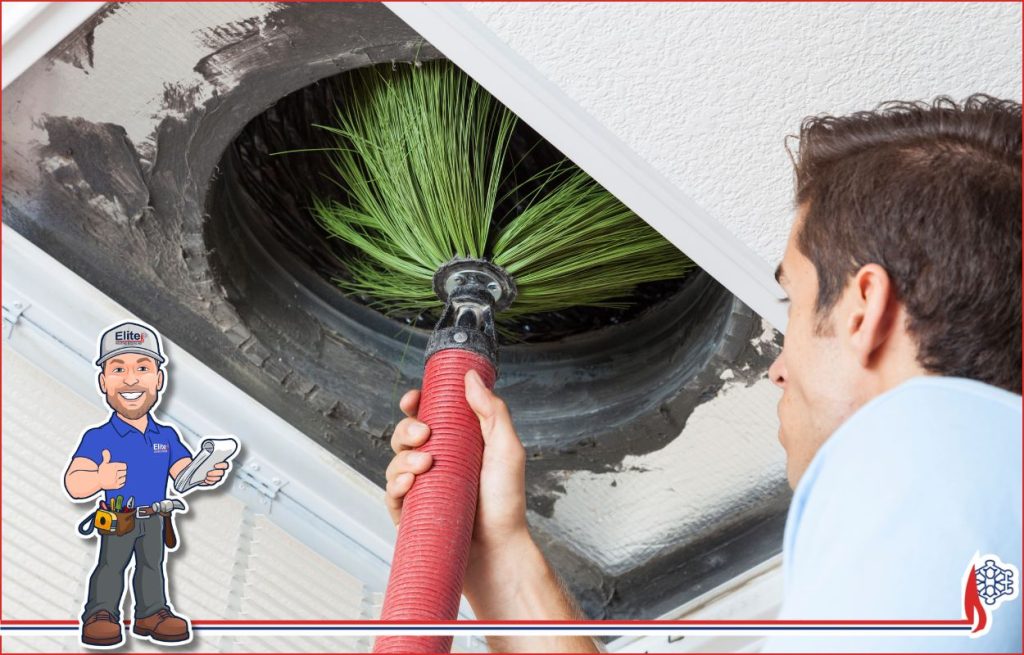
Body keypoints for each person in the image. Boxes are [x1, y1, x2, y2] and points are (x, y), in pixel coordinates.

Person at [385, 95, 1022, 652]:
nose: (776, 370)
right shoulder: (973, 534)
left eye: (791, 303)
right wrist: (495, 552)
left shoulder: (929, 484)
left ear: (864, 309)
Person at [64, 321, 233, 648]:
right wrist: (99, 478)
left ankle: (151, 613)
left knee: (152, 566)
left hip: (156, 517)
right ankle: (101, 614)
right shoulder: (99, 437)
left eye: (142, 368)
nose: (130, 379)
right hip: (118, 517)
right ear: (103, 381)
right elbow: (75, 481)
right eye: (118, 369)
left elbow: (182, 472)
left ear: (158, 379)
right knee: (112, 566)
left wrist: (204, 471)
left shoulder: (166, 437)